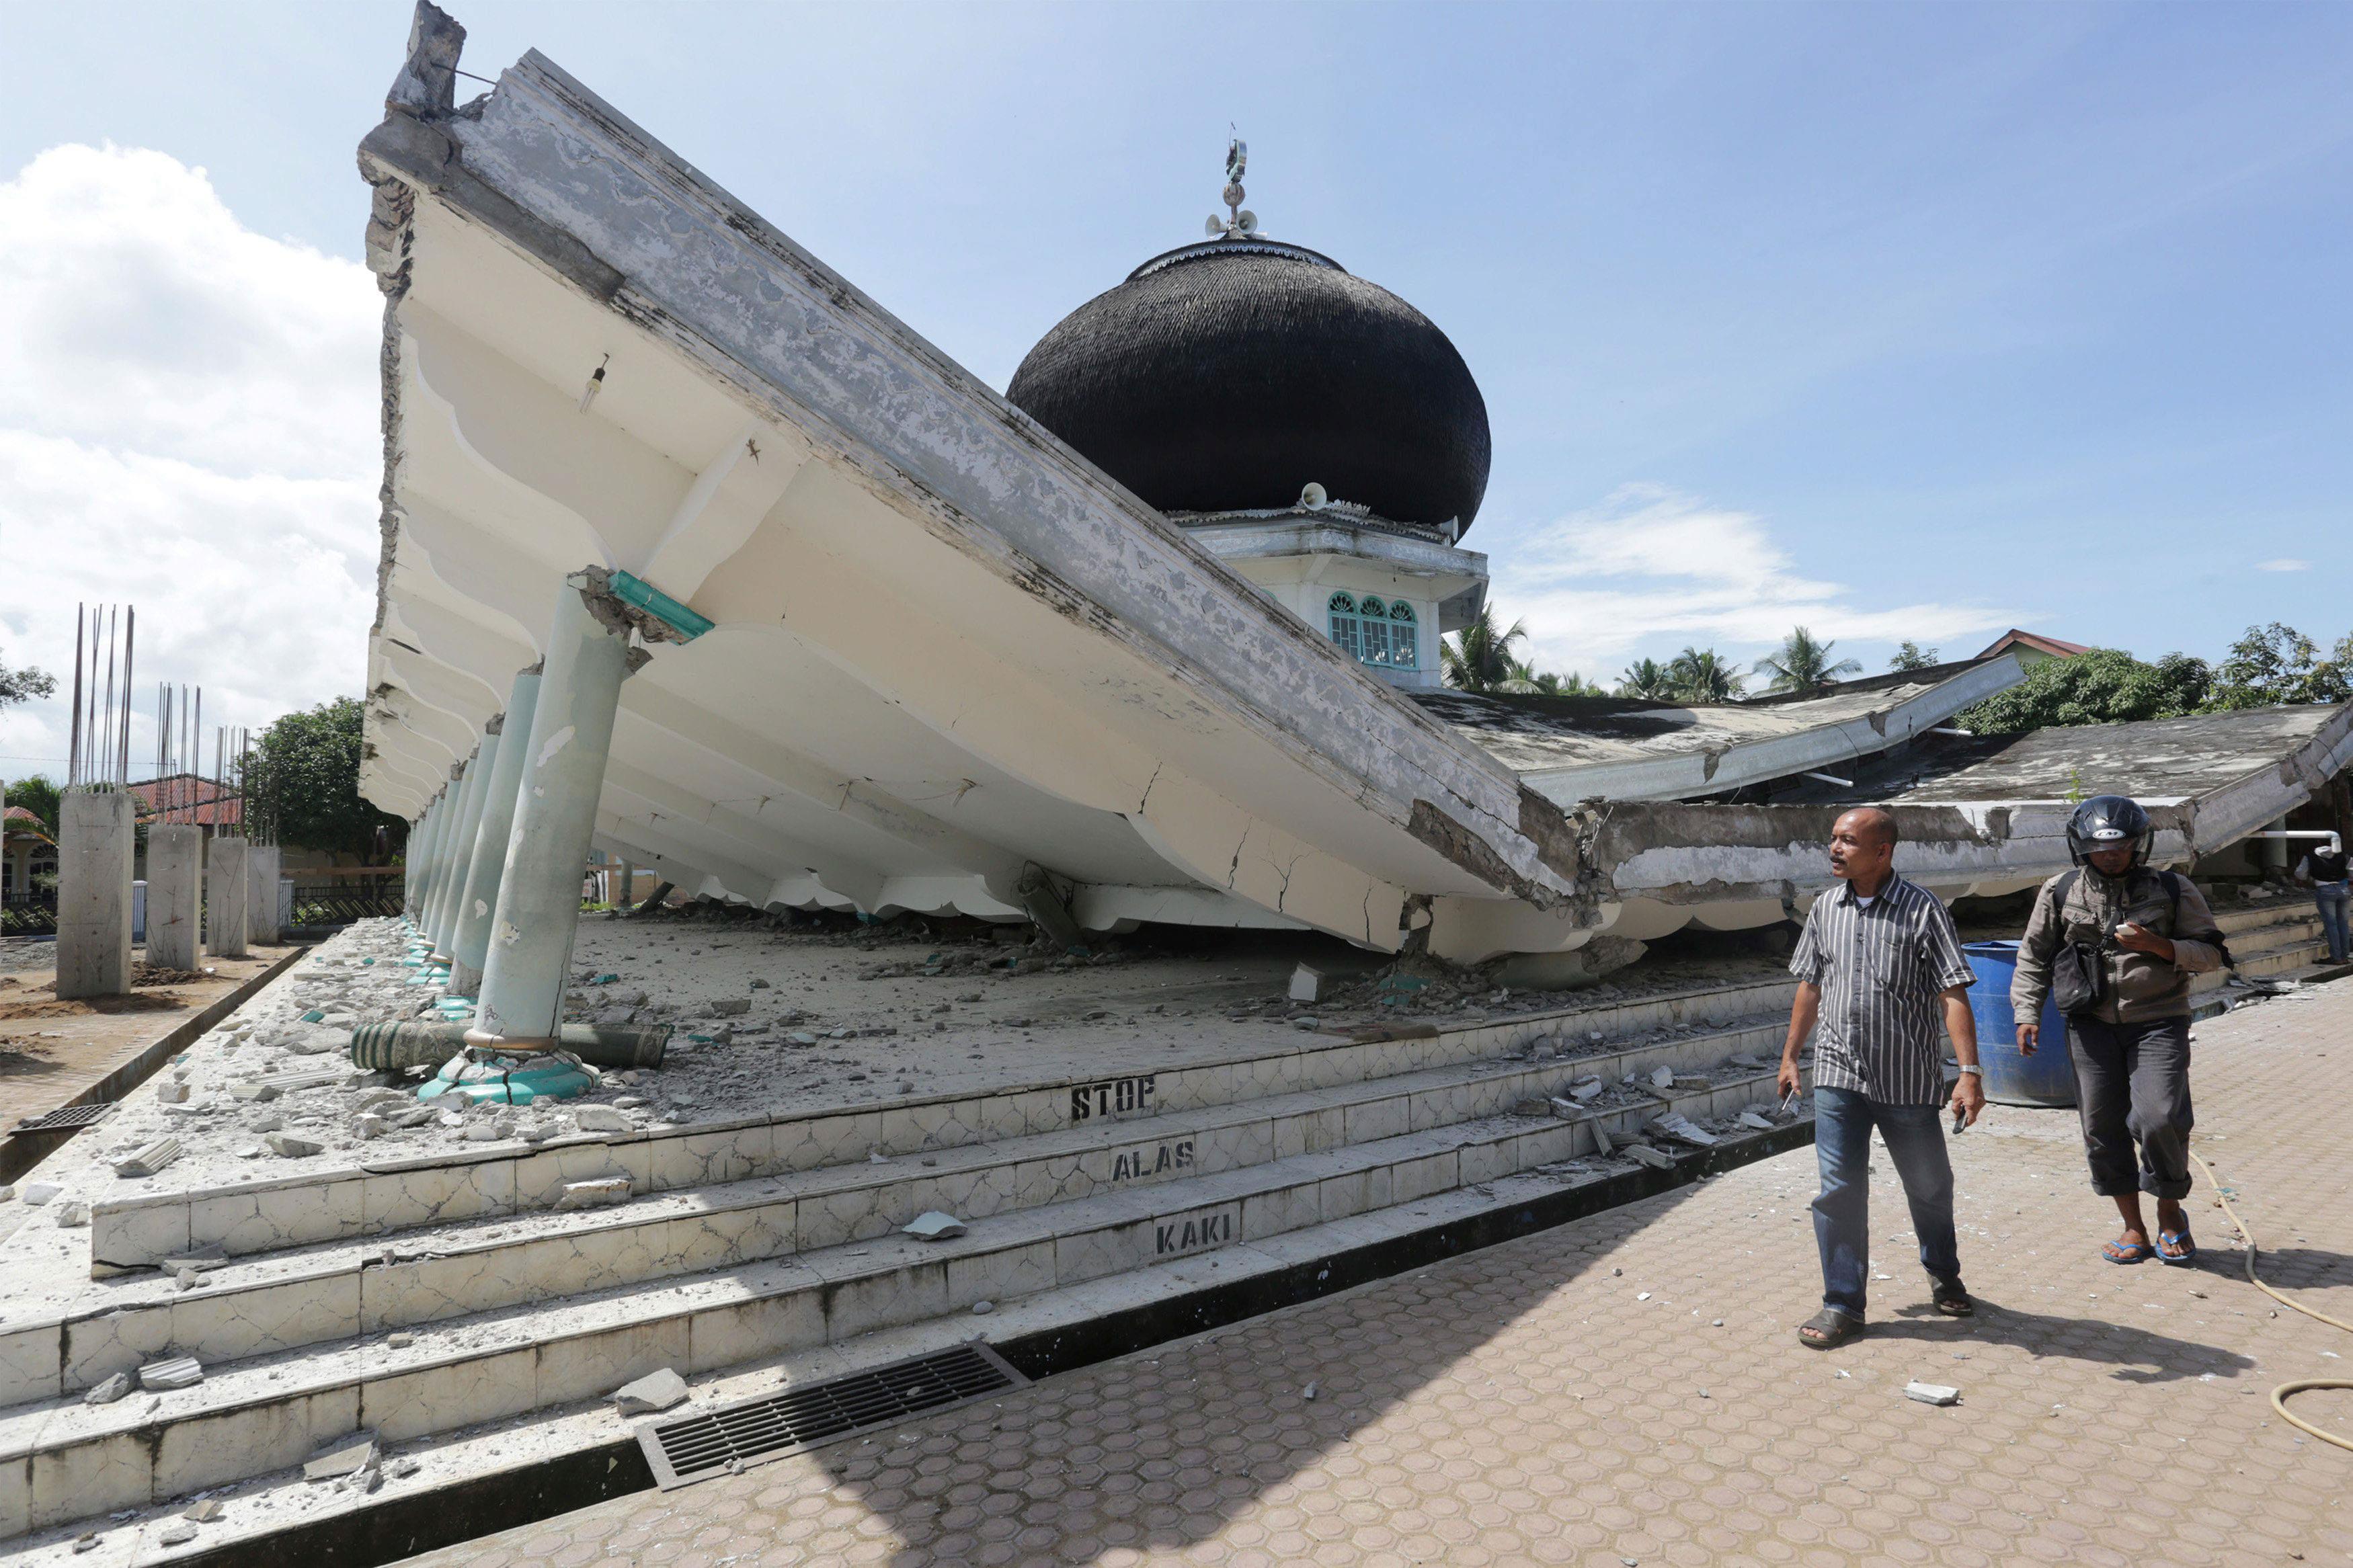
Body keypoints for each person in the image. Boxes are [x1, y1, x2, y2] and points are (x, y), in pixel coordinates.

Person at [1780, 806, 1985, 1350]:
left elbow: (1952, 994)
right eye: (1833, 839)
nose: (1835, 848)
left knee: (1929, 1186)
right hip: (1837, 1073)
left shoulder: (1924, 911)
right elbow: (1811, 986)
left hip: (1906, 1079)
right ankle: (1843, 1303)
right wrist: (1790, 1055)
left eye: (1847, 840)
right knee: (1839, 1190)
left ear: (1882, 851)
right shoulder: (1825, 908)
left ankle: (1943, 1270)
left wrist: (1968, 1073)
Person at [2011, 795, 2227, 1266]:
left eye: (2122, 845)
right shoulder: (2060, 889)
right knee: (2101, 1127)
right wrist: (2026, 1012)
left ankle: (2170, 1210)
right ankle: (2133, 1225)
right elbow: (2033, 956)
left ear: (2139, 844)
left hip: (2159, 1020)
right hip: (2089, 1026)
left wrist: (2156, 944)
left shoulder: (2173, 888)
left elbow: (2212, 953)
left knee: (2159, 1116)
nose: (2111, 855)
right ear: (2081, 847)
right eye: (2099, 847)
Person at [2295, 836, 2351, 965]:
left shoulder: (2310, 856)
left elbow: (2300, 874)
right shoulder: (2344, 855)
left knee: (2331, 925)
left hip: (2325, 890)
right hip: (2344, 890)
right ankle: (2345, 956)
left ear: (2318, 842)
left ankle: (2336, 958)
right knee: (2343, 924)